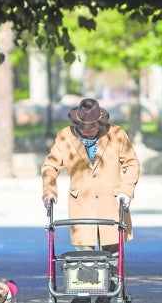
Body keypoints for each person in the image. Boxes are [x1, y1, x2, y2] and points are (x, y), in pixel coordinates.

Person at [41, 98, 140, 303]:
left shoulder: (117, 134)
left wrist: (126, 190)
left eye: (94, 128)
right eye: (85, 128)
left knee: (113, 256)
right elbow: (50, 166)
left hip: (111, 204)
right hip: (82, 204)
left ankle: (112, 296)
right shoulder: (64, 137)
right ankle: (83, 297)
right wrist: (49, 190)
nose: (89, 131)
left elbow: (131, 163)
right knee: (83, 257)